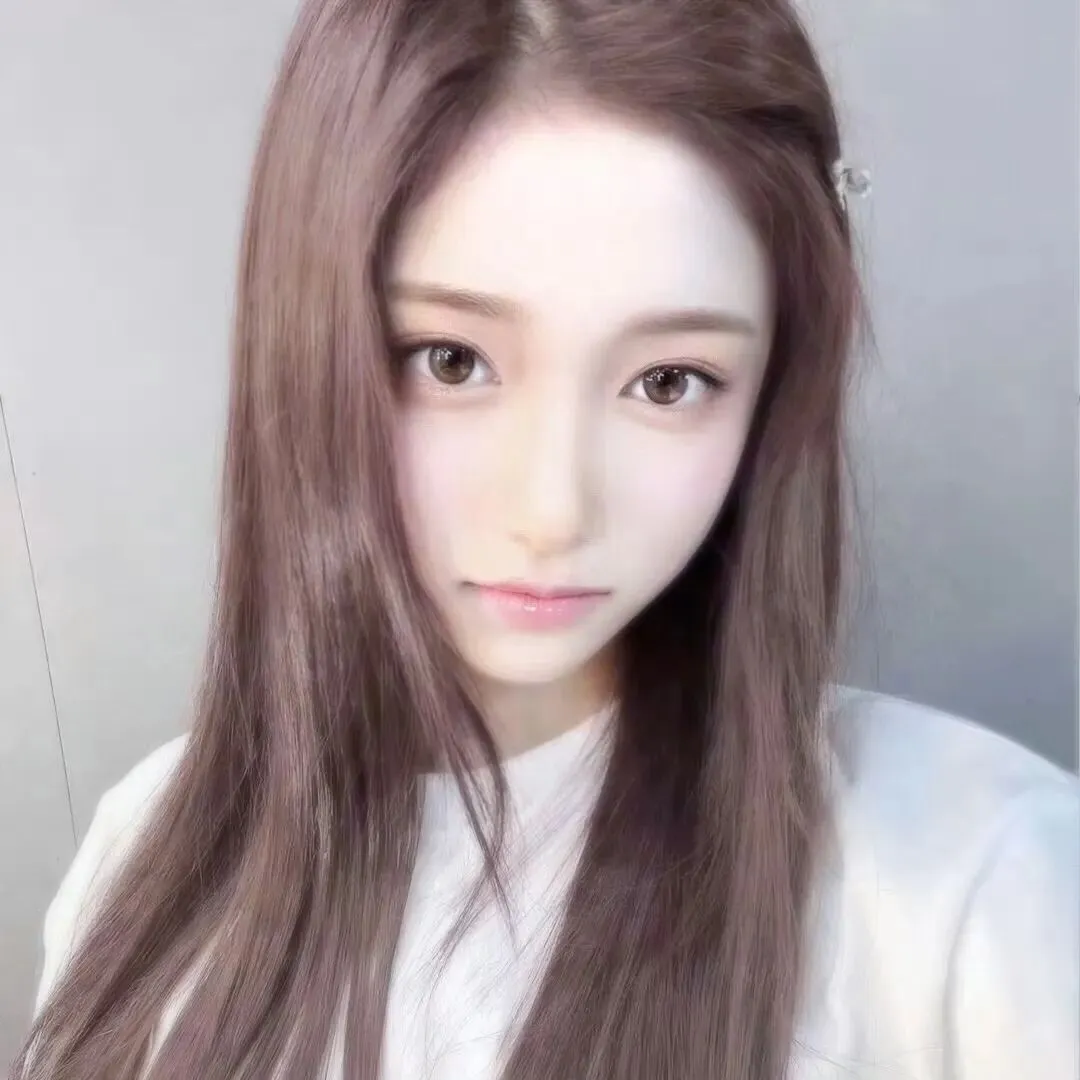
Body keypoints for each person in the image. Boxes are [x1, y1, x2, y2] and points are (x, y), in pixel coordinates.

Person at [14, 1, 1078, 1078]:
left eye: (669, 382)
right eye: (450, 361)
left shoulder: (971, 885)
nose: (552, 509)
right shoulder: (146, 856)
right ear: (309, 342)